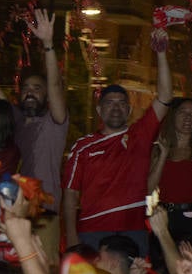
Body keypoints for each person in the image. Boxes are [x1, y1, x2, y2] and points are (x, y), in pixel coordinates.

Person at [0, 9, 68, 257]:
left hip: (44, 214)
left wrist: (48, 45)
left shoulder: (55, 121)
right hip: (14, 213)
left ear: (46, 95)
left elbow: (56, 85)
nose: (30, 92)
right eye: (26, 87)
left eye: (37, 88)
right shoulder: (16, 120)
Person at [62, 82, 168, 257]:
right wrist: (72, 237)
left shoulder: (140, 136)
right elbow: (70, 194)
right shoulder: (83, 147)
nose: (116, 107)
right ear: (99, 110)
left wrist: (162, 54)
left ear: (128, 110)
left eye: (121, 103)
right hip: (93, 232)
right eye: (109, 103)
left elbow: (164, 97)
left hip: (133, 230)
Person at [146, 97, 192, 259]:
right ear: (173, 116)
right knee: (162, 271)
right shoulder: (160, 146)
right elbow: (148, 188)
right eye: (183, 112)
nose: (188, 118)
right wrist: (163, 155)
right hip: (164, 216)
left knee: (186, 270)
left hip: (191, 218)